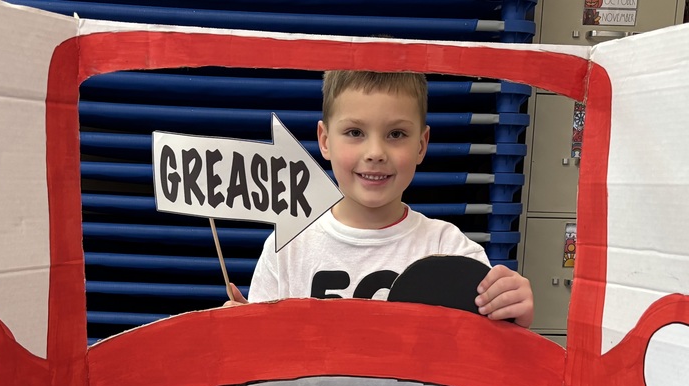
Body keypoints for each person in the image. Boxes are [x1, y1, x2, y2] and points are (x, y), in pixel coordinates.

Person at [225, 70, 533, 326]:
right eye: (355, 133)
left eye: (396, 134)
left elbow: (488, 359)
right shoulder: (288, 248)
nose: (375, 153)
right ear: (325, 140)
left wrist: (513, 314)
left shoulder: (449, 249)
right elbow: (261, 363)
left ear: (422, 145)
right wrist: (242, 331)